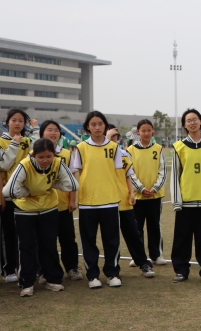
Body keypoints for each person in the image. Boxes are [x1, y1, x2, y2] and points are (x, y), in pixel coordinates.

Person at [3, 138, 78, 297]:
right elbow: (8, 191)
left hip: (48, 209)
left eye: (49, 156)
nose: (45, 160)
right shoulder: (25, 164)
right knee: (27, 246)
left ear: (54, 154)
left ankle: (52, 279)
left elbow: (72, 184)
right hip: (25, 210)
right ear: (34, 155)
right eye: (41, 157)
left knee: (49, 245)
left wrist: (51, 185)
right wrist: (30, 191)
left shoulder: (58, 162)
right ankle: (27, 282)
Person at [69, 111, 124, 289]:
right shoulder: (81, 147)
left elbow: (117, 171)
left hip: (110, 200)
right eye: (93, 124)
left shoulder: (114, 147)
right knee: (88, 241)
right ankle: (92, 275)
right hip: (88, 202)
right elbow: (77, 172)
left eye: (100, 123)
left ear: (105, 125)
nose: (97, 127)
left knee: (111, 240)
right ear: (88, 127)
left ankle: (112, 273)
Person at [170, 109, 201, 283]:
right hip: (185, 202)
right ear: (184, 125)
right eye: (188, 120)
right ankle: (181, 270)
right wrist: (177, 201)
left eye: (194, 119)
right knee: (181, 238)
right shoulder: (179, 147)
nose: (192, 123)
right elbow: (175, 175)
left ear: (200, 121)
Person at [106, 126, 155, 278]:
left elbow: (128, 175)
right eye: (111, 135)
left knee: (133, 234)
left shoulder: (123, 153)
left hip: (124, 200)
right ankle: (112, 269)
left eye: (116, 135)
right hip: (107, 201)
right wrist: (107, 139)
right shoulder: (100, 152)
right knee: (110, 237)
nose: (114, 137)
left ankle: (143, 263)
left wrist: (131, 193)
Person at [38, 120, 83, 282]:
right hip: (43, 205)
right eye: (49, 130)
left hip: (63, 205)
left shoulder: (66, 154)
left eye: (56, 130)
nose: (53, 133)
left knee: (68, 239)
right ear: (42, 133)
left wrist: (72, 200)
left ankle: (72, 268)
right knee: (46, 241)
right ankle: (45, 271)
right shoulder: (35, 153)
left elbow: (72, 179)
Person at [0, 109, 39, 283]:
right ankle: (9, 269)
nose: (17, 123)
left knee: (28, 235)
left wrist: (35, 129)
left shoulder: (27, 141)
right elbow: (3, 165)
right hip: (8, 194)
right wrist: (14, 145)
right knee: (8, 234)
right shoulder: (2, 141)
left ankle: (30, 267)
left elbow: (39, 153)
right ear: (7, 121)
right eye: (14, 120)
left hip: (25, 195)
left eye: (21, 121)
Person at [127, 119, 168, 266]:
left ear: (152, 132)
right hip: (137, 197)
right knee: (137, 228)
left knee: (154, 226)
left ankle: (156, 255)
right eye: (143, 130)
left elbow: (163, 171)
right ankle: (138, 256)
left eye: (149, 130)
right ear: (138, 132)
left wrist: (155, 188)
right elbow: (129, 172)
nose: (146, 133)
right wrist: (141, 188)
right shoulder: (130, 150)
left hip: (155, 196)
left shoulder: (158, 148)